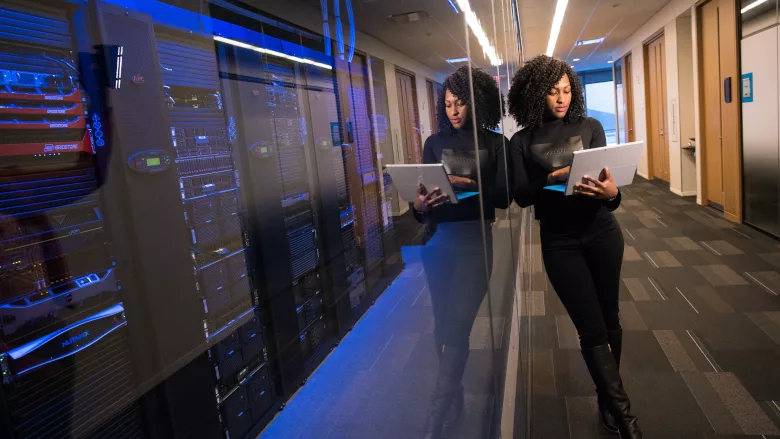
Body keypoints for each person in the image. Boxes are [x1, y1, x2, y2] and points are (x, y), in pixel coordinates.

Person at [507, 55, 642, 438]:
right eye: (552, 92)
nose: (561, 98)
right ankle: (627, 417)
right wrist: (555, 175)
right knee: (591, 327)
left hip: (601, 232)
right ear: (536, 94)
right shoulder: (522, 141)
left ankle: (607, 399)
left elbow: (608, 195)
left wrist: (613, 193)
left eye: (566, 90)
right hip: (559, 242)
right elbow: (521, 195)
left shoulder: (591, 126)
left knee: (610, 318)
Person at [411, 65, 510, 439]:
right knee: (442, 326)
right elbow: (419, 208)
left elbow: (502, 198)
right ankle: (453, 396)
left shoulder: (494, 143)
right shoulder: (434, 143)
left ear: (477, 101)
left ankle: (436, 413)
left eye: (460, 103)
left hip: (474, 242)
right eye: (448, 104)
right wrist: (419, 206)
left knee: (457, 324)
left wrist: (471, 182)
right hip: (438, 242)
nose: (453, 110)